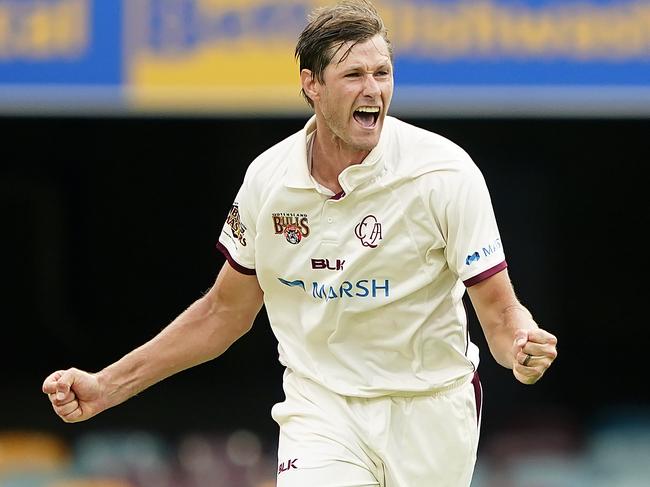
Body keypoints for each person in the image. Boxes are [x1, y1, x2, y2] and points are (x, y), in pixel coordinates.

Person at [43, 1, 558, 485]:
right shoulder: (269, 181)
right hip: (321, 409)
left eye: (382, 73)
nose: (373, 90)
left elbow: (500, 314)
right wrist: (106, 385)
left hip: (431, 409)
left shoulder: (444, 172)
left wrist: (520, 348)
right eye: (354, 75)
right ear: (311, 84)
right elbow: (223, 313)